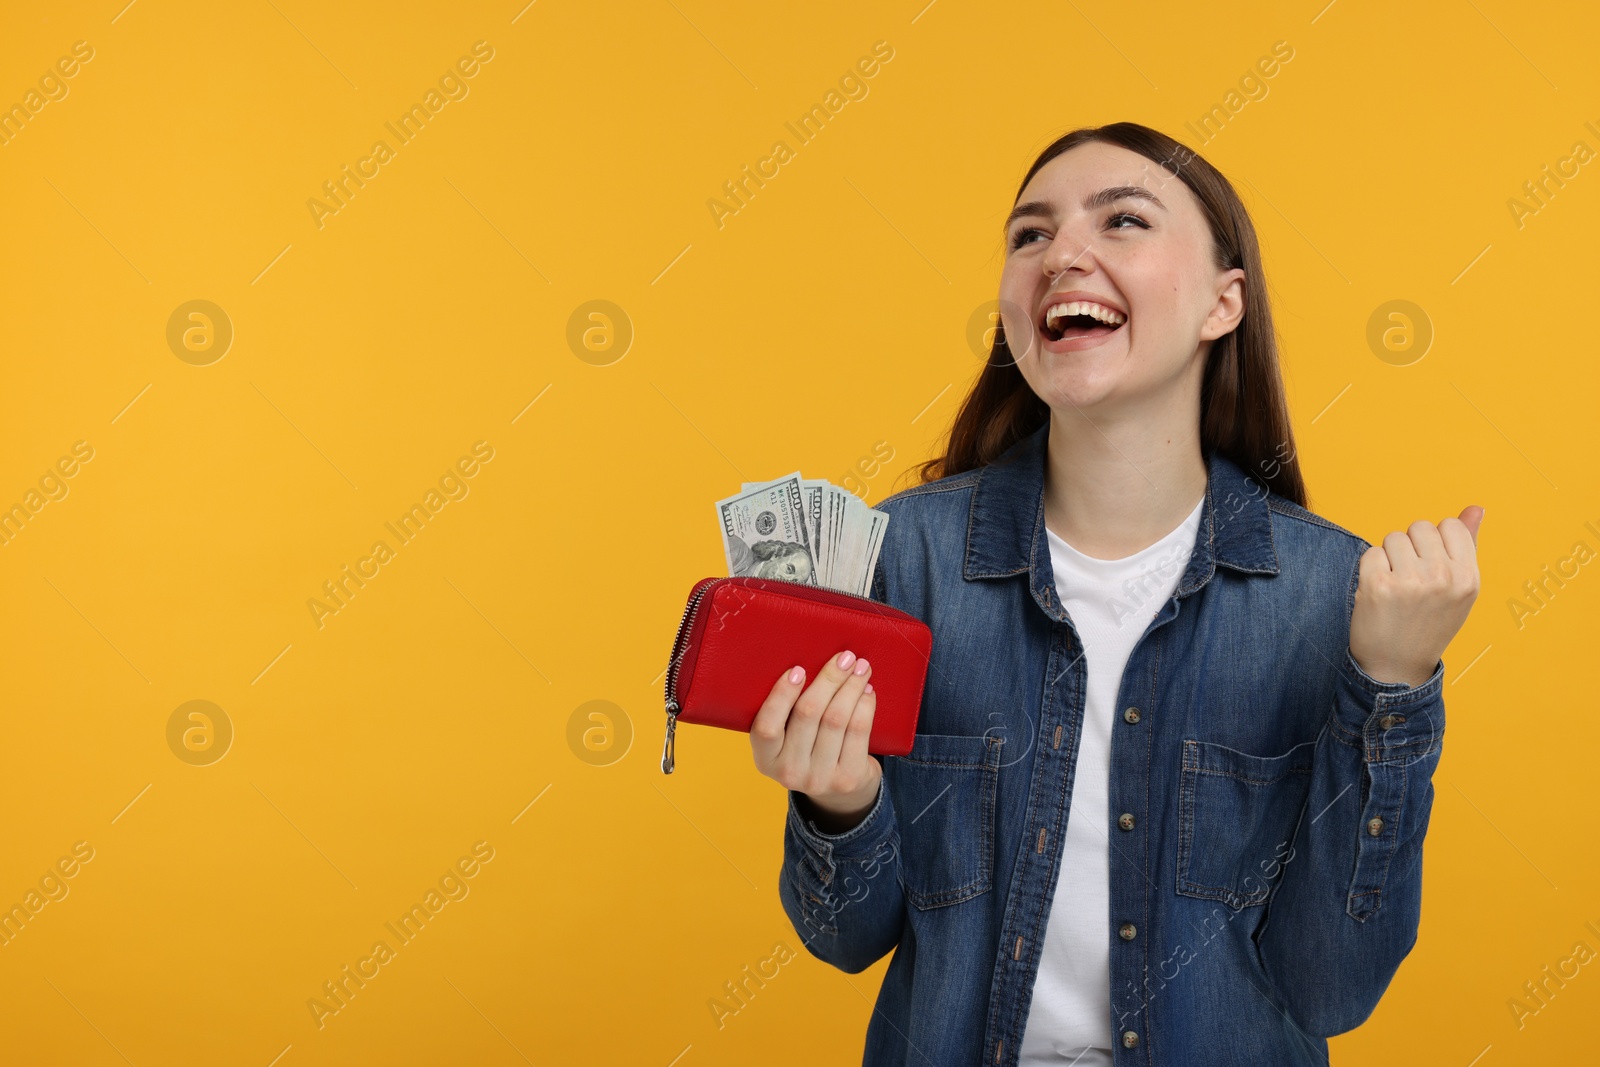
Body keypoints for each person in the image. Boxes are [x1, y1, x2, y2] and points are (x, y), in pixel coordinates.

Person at [747, 122, 1483, 1066]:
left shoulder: (1336, 597)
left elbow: (1332, 985)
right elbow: (845, 939)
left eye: (1123, 221)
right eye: (1030, 235)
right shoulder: (906, 560)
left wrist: (1392, 682)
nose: (1064, 256)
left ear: (1225, 303)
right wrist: (838, 801)